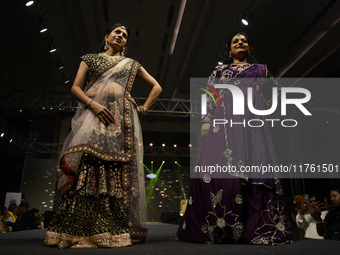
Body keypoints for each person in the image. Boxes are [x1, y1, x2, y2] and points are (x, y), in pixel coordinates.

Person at [44, 23, 162, 249]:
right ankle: (79, 228)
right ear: (106, 36)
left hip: (121, 120)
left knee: (115, 168)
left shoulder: (131, 64)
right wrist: (94, 105)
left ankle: (113, 228)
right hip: (93, 116)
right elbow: (76, 88)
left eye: (125, 35)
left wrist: (144, 108)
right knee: (88, 161)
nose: (121, 36)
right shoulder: (89, 58)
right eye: (117, 32)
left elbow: (156, 87)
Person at [176, 32, 294, 244]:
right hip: (225, 122)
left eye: (244, 41)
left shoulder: (261, 70)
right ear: (229, 49)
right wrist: (206, 120)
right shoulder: (220, 70)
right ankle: (225, 227)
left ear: (249, 47)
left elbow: (277, 92)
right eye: (235, 41)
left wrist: (265, 107)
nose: (240, 43)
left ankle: (254, 226)